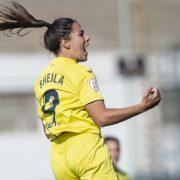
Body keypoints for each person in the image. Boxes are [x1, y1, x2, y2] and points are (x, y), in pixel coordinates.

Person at [0, 1, 161, 180]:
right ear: (66, 42)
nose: (87, 38)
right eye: (81, 34)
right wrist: (142, 107)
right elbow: (101, 117)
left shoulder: (41, 80)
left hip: (59, 156)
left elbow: (47, 130)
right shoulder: (81, 72)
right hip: (86, 150)